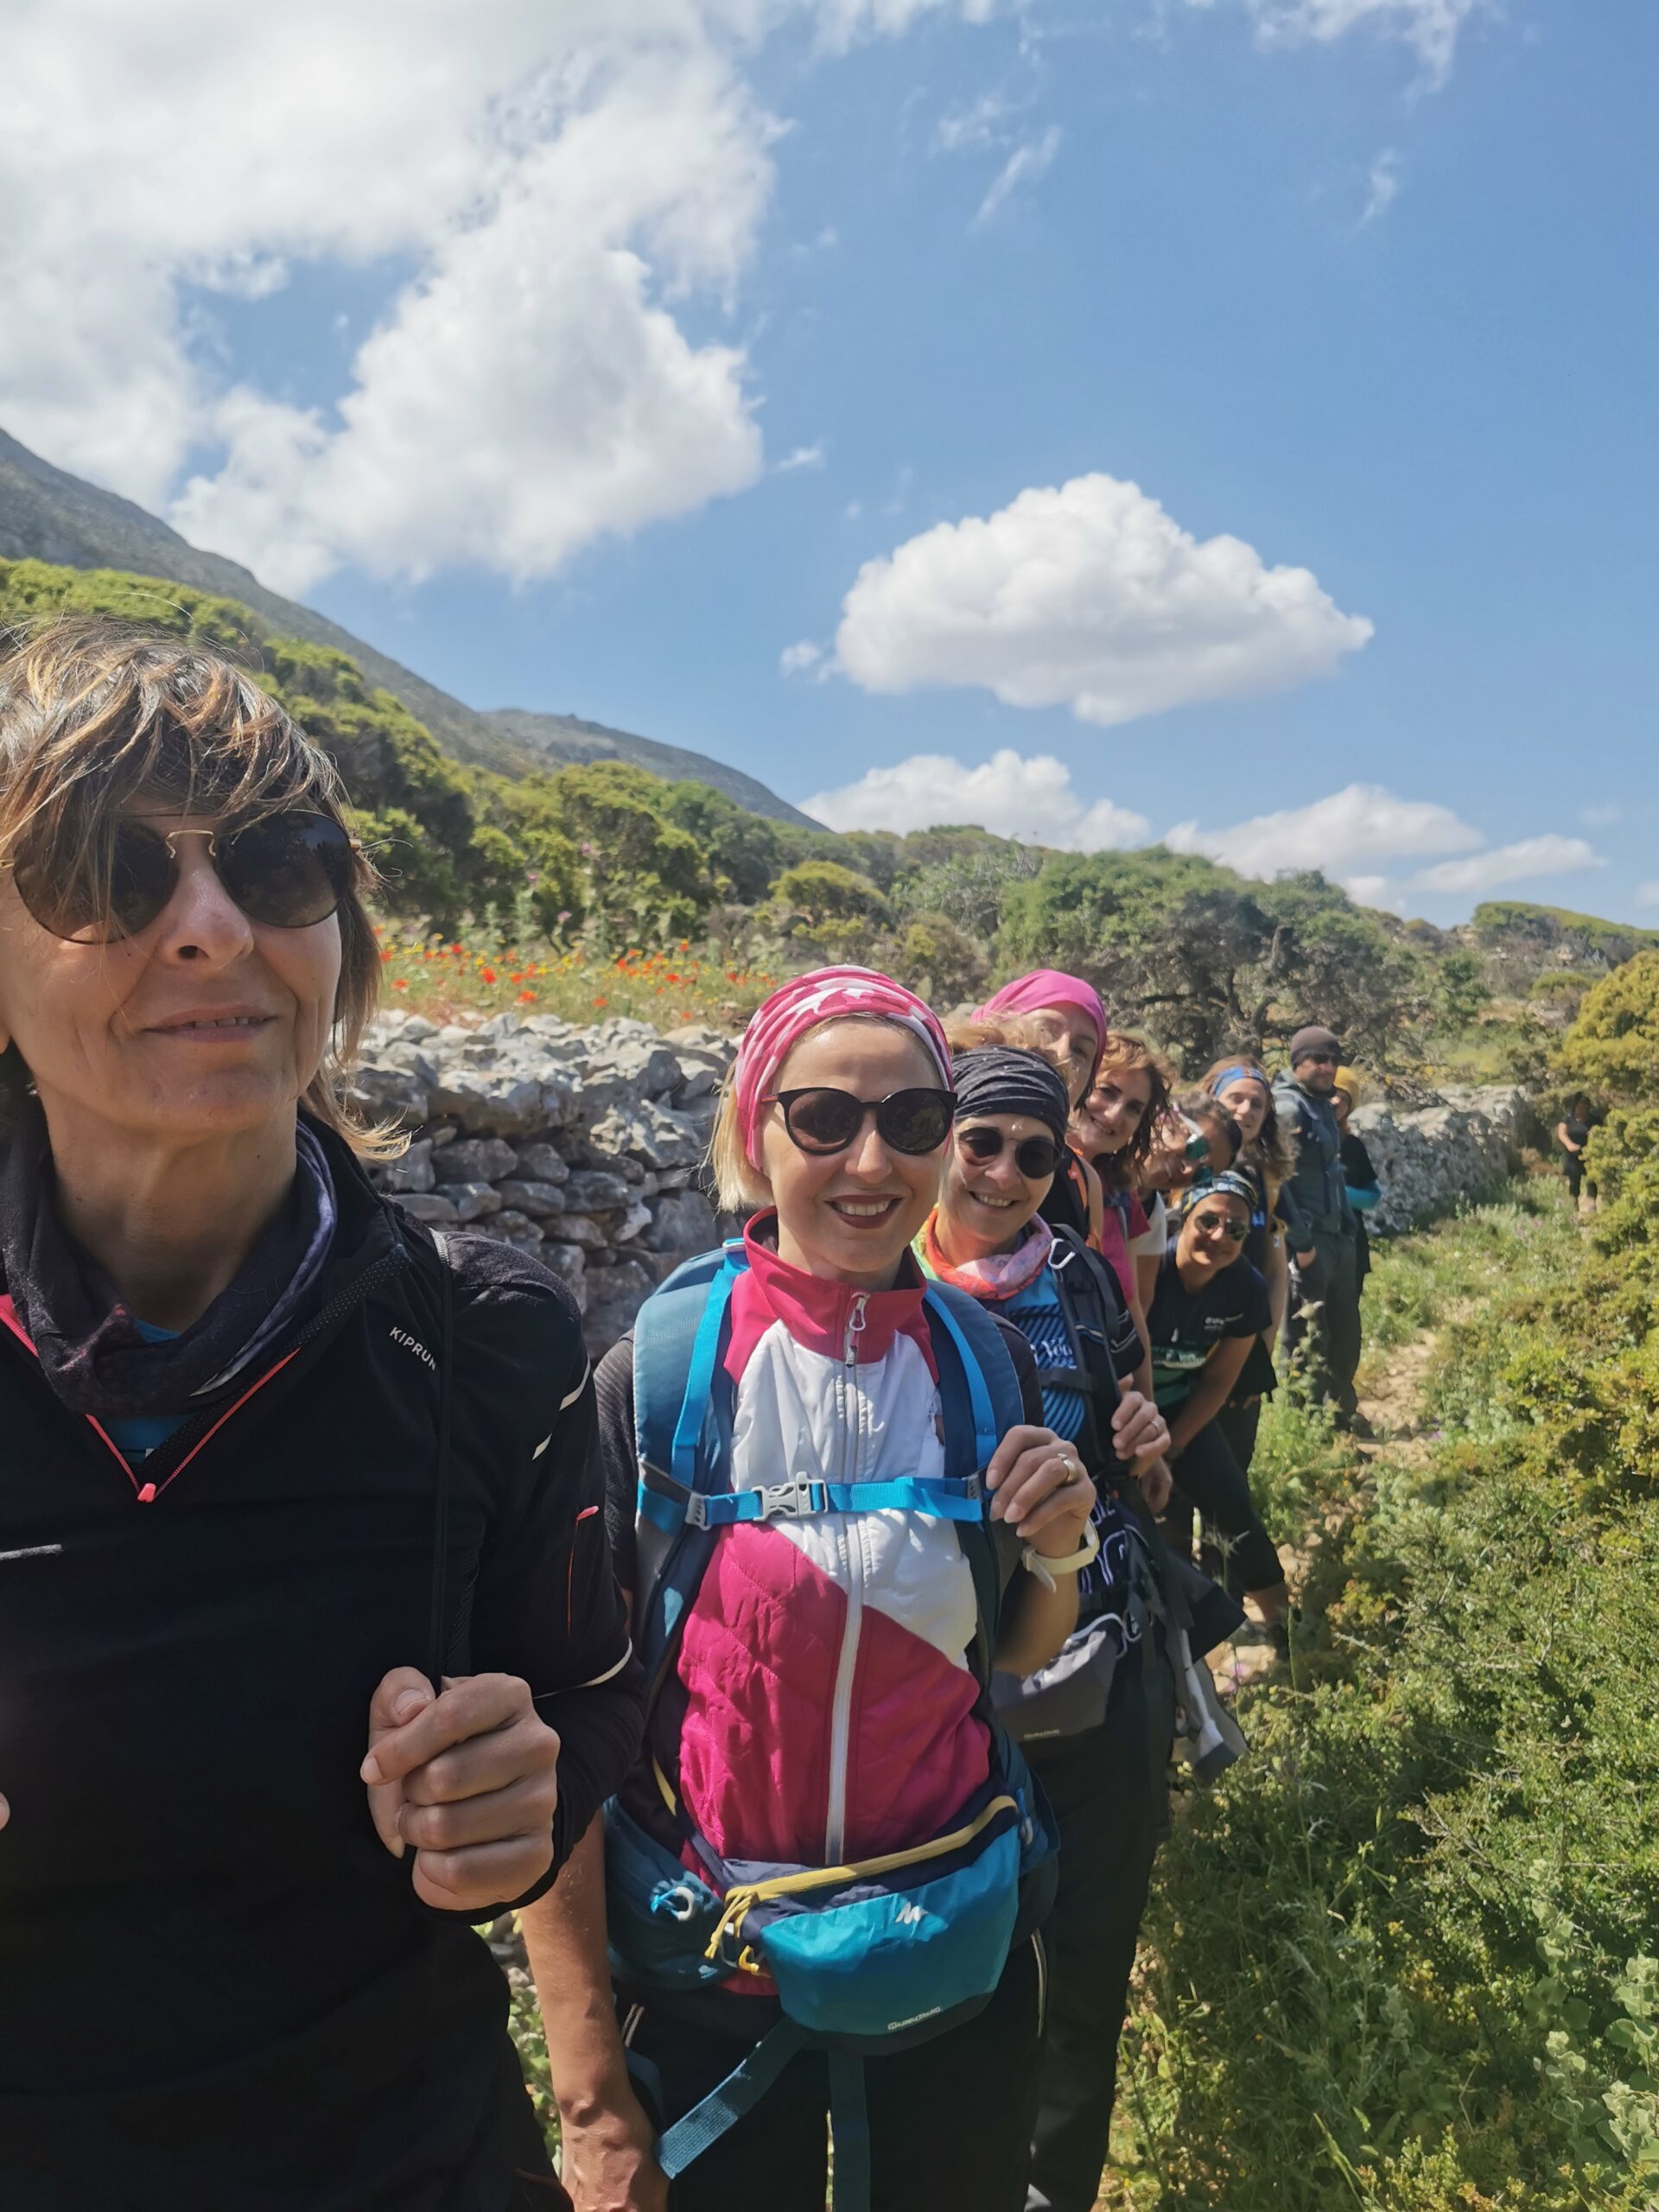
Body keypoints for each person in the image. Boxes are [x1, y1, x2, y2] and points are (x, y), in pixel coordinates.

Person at [0, 619, 645, 2212]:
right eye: (105, 871)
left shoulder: (487, 1342)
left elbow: (592, 1691)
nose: (213, 928)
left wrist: (523, 1796)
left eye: (278, 863)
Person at [524, 968, 1098, 2212]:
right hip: (709, 1975)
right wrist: (590, 2101)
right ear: (755, 1132)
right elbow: (563, 1727)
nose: (871, 1161)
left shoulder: (987, 1365)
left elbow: (1005, 1655)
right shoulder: (655, 1382)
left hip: (950, 1952)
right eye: (825, 1117)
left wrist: (1061, 1550)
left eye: (914, 1120)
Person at [913, 1030, 1205, 2212]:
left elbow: (1148, 1470)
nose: (1005, 1171)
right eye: (981, 1140)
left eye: (1035, 1152)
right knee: (954, 1983)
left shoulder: (1079, 1280)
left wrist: (1145, 1449)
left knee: (1086, 1971)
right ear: (939, 1138)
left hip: (1094, 1683)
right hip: (934, 1706)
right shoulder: (873, 1283)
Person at [1147, 1172, 1291, 1624]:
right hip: (1124, 1414)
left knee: (1234, 1511)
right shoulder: (1149, 1270)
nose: (1219, 1236)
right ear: (1184, 1218)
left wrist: (1173, 1446)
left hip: (1182, 1410)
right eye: (1208, 1221)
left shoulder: (1245, 1289)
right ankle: (1171, 1640)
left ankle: (1288, 1634)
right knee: (1150, 1528)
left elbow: (1217, 1381)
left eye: (1236, 1229)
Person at [1204, 1058, 1305, 1474]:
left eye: (1257, 1104)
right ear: (1212, 1100)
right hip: (1181, 1349)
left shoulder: (1266, 1180)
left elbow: (1276, 1271)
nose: (1245, 1110)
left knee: (1232, 1466)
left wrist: (1261, 1349)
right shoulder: (1183, 1167)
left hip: (1240, 1343)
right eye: (1236, 1099)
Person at [974, 969, 1111, 1248]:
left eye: (1081, 1051)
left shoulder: (1083, 1183)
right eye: (1044, 1031)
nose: (1061, 1054)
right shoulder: (926, 1140)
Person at [1067, 1031, 1174, 1372]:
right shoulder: (1030, 1172)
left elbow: (1131, 1305)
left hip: (1109, 1386)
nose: (1115, 1115)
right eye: (1107, 1091)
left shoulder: (1120, 1194)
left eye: (1133, 1108)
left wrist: (1146, 1397)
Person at [1273, 1026, 1363, 1427]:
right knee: (1305, 1339)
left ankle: (1341, 1420)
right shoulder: (1287, 1108)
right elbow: (1279, 1183)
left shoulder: (1322, 1106)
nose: (1328, 1068)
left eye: (1334, 1060)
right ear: (1298, 1062)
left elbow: (1332, 1174)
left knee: (1345, 1335)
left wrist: (1348, 1231)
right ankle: (1306, 1425)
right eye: (1318, 1059)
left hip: (1337, 1239)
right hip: (1309, 1244)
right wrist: (1302, 1244)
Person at [1332, 1068, 1380, 1294]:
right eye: (1333, 1093)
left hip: (1352, 1241)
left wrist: (1340, 1195)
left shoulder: (1353, 1146)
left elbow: (1373, 1197)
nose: (1337, 1102)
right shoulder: (1299, 1141)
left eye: (1345, 1099)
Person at [1556, 1094, 1597, 1215]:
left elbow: (1600, 1133)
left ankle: (1591, 1205)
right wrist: (1570, 1145)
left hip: (1590, 1154)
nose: (1582, 1110)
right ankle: (1574, 1208)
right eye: (1580, 1107)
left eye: (1585, 1107)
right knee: (1574, 1180)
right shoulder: (1568, 1119)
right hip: (1572, 1155)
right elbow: (1562, 1133)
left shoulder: (1594, 1120)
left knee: (1592, 1179)